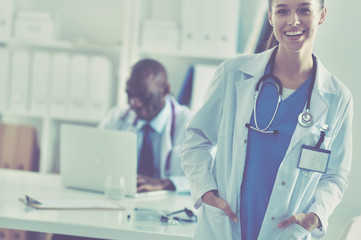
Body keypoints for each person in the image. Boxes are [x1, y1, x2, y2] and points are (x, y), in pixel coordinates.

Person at [180, 0, 353, 239]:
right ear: (270, 17)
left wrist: (316, 215)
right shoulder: (233, 74)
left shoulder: (337, 97)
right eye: (282, 10)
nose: (293, 21)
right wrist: (207, 193)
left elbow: (335, 175)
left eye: (304, 10)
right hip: (226, 224)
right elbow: (195, 140)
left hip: (287, 231)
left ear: (321, 15)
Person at [99, 58, 192, 193]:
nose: (135, 103)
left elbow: (209, 180)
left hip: (169, 205)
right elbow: (94, 161)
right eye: (130, 95)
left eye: (145, 97)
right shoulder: (116, 117)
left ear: (165, 90)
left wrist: (168, 183)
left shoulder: (189, 124)